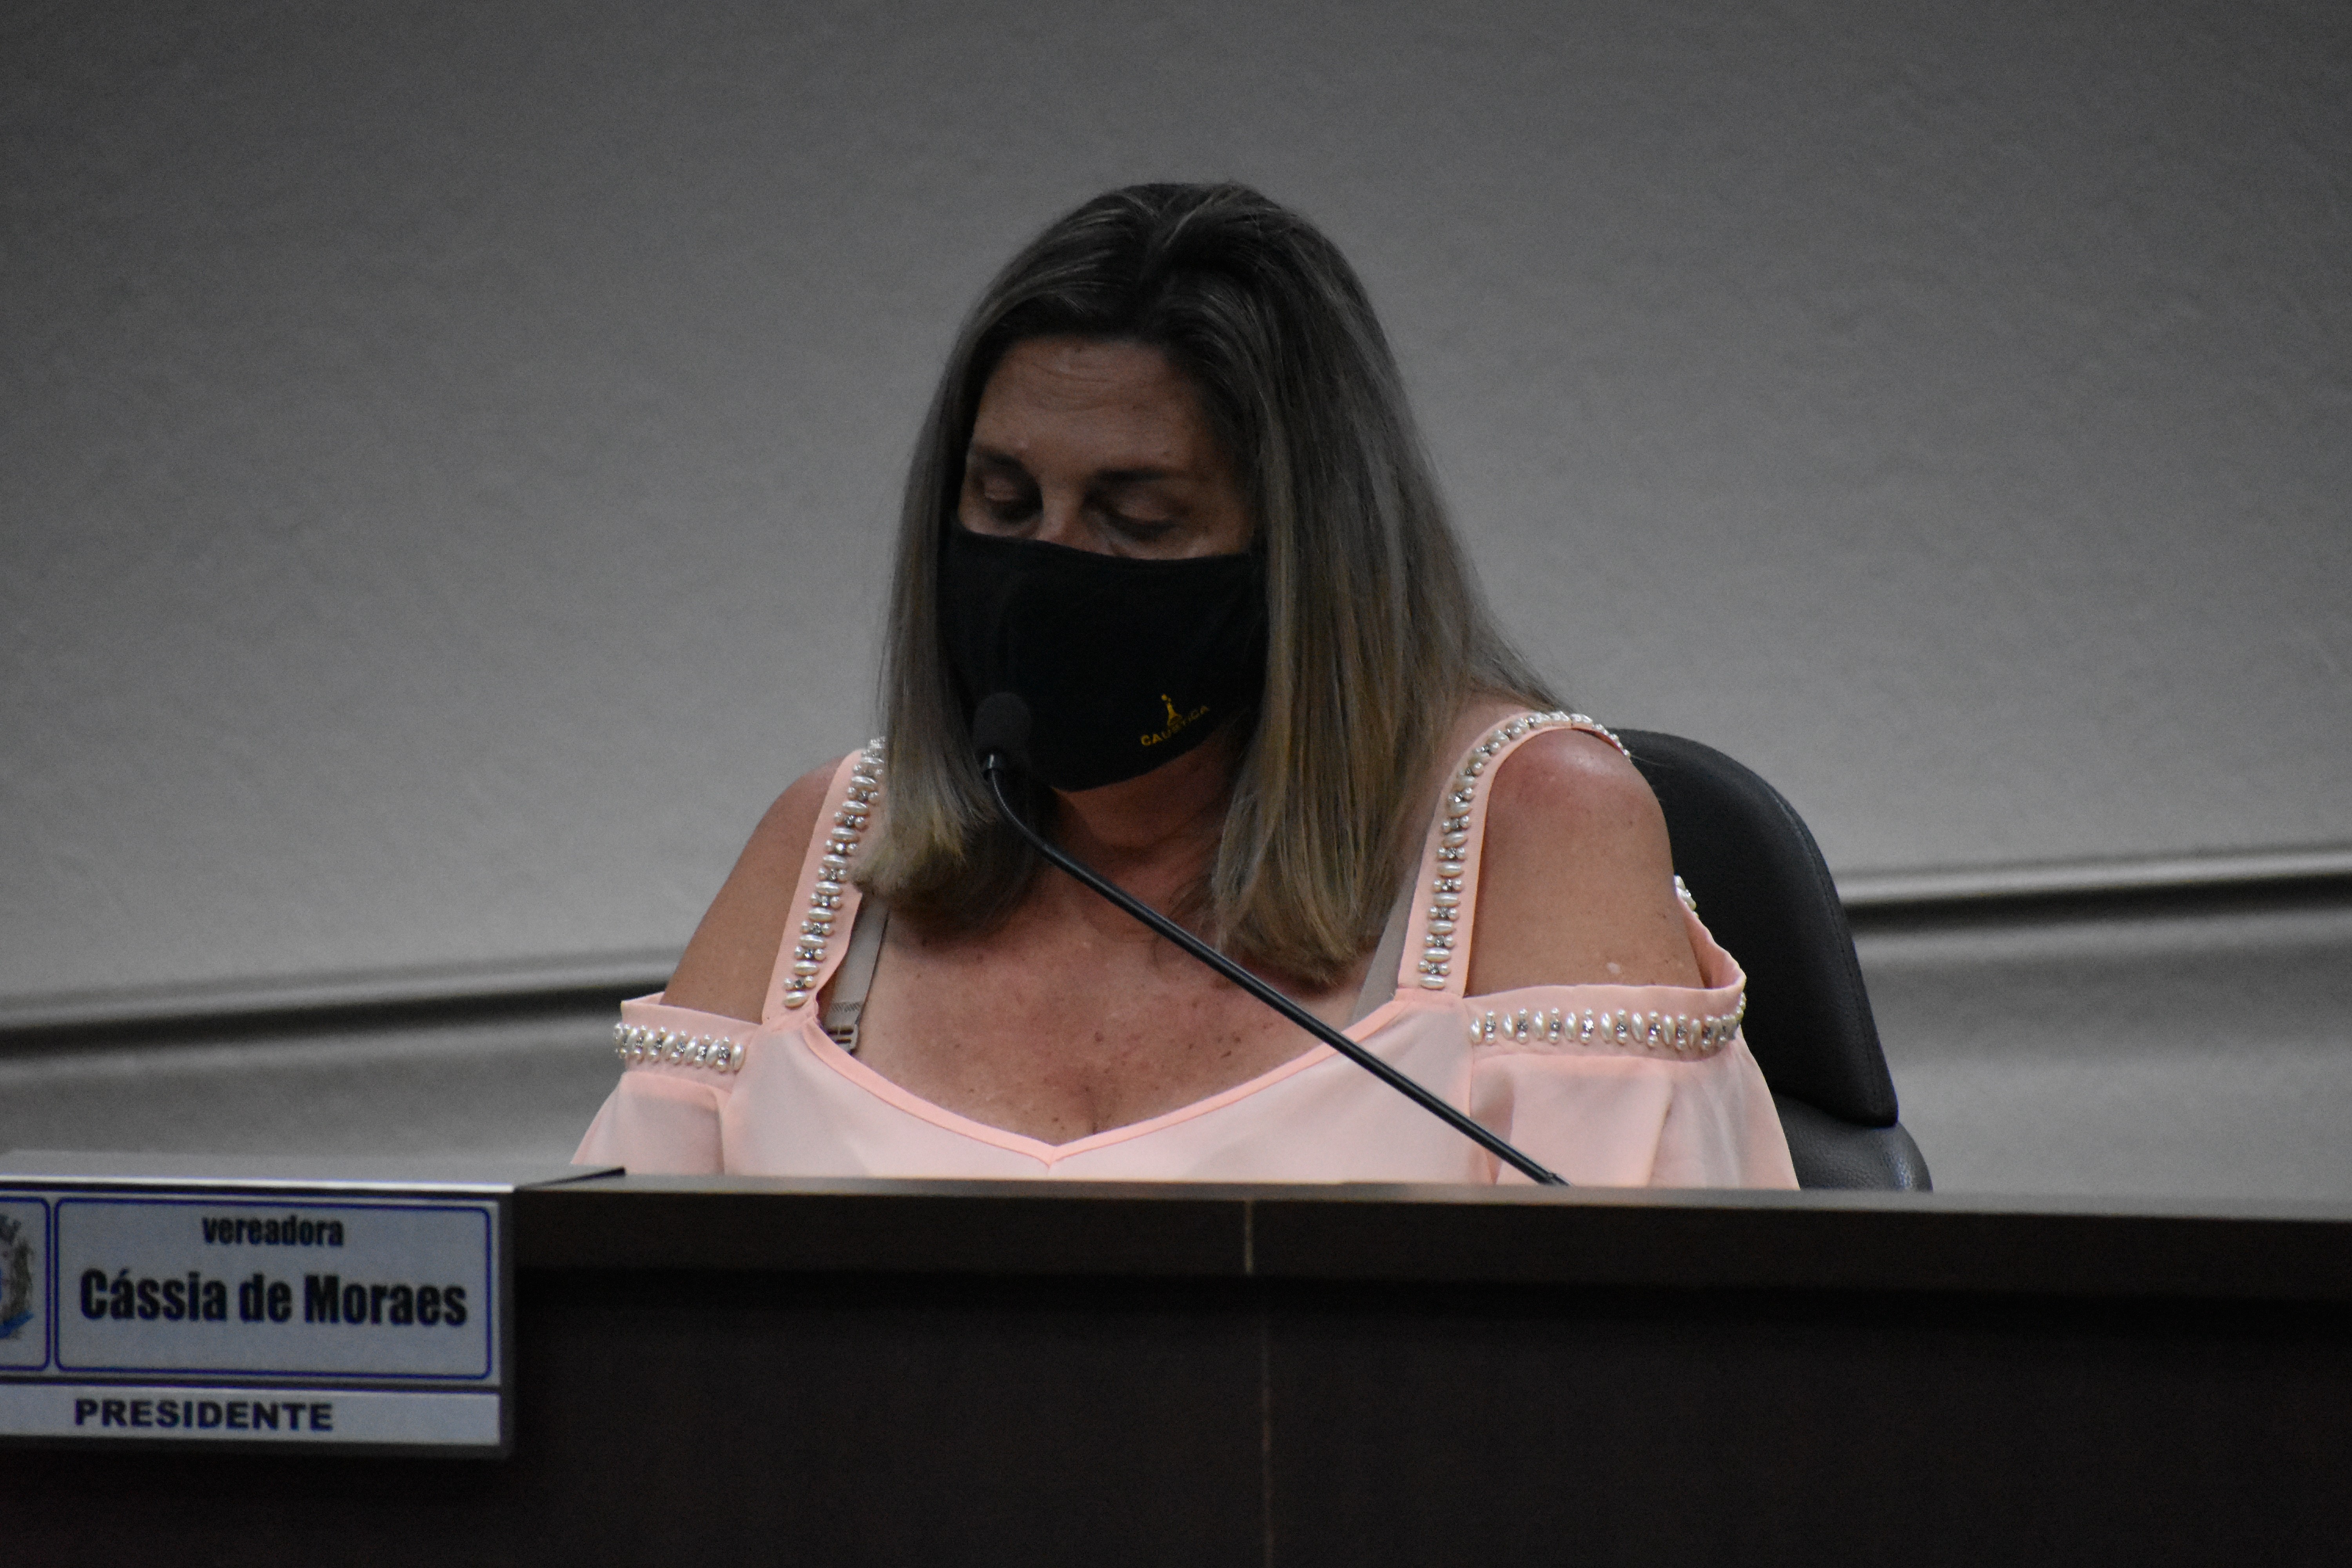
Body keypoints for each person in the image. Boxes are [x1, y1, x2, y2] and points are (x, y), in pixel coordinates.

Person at [575, 183, 1796, 1186]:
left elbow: (1645, 1373)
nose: (1050, 566)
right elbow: (604, 1323)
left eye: (1139, 519)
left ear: (1305, 561)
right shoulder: (835, 849)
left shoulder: (1537, 829)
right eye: (1004, 503)